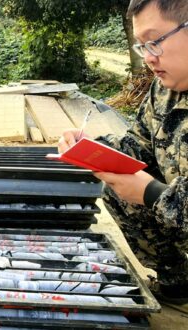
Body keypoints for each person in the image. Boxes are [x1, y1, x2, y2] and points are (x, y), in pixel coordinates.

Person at [58, 0, 188, 312]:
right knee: (118, 190)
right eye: (142, 46)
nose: (149, 58)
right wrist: (91, 148)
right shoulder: (165, 89)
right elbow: (138, 144)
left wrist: (151, 193)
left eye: (155, 42)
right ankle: (178, 283)